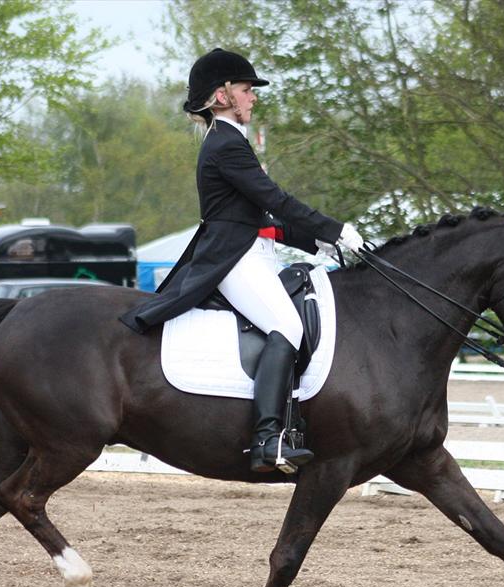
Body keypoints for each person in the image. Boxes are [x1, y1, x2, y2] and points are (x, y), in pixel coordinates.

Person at [120, 48, 365, 474]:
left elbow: (260, 216)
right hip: (233, 259)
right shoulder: (226, 144)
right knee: (287, 326)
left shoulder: (230, 141)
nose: (253, 97)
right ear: (222, 96)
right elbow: (275, 200)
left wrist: (317, 243)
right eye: (247, 90)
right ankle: (268, 438)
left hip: (250, 252)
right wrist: (333, 229)